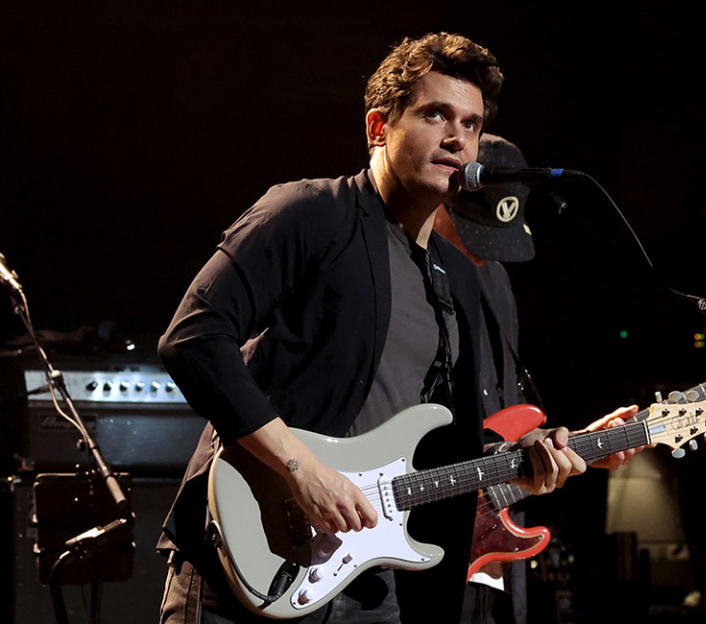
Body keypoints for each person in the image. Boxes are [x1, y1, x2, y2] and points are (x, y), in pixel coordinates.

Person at [155, 33, 588, 624]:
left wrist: (517, 462)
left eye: (472, 123)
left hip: (368, 580)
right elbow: (193, 338)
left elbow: (431, 435)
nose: (458, 137)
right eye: (435, 114)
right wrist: (299, 469)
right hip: (252, 557)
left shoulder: (456, 276)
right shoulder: (308, 212)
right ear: (378, 127)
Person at [434, 134, 642, 624]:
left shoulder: (495, 278)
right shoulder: (408, 272)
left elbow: (504, 415)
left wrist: (579, 446)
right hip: (429, 542)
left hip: (494, 551)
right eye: (474, 232)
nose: (485, 255)